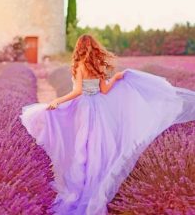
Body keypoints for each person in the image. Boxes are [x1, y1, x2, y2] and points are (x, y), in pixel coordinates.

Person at [19, 34, 195, 215]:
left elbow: (78, 91)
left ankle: (83, 184)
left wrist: (58, 100)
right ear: (94, 48)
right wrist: (117, 78)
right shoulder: (97, 66)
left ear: (79, 48)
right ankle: (97, 180)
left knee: (83, 146)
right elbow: (104, 90)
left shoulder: (80, 66)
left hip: (85, 107)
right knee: (99, 146)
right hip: (99, 107)